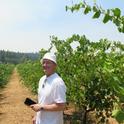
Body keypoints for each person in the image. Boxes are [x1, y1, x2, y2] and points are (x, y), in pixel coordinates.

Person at [30, 52, 66, 124]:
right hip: (41, 121)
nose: (45, 65)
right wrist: (36, 116)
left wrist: (41, 107)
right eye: (43, 62)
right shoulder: (42, 79)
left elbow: (61, 106)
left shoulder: (57, 82)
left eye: (48, 63)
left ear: (55, 65)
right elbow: (41, 101)